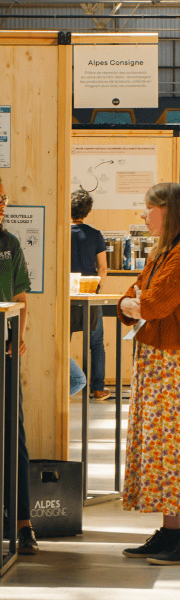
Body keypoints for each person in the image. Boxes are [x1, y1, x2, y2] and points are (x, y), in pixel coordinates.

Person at [117, 182, 180, 566]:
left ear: (169, 210)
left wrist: (138, 304)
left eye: (149, 208)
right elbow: (132, 296)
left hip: (178, 367)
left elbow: (156, 302)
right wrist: (134, 303)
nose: (143, 215)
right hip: (159, 365)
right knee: (164, 451)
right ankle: (170, 531)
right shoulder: (165, 251)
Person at [0, 181, 39, 555]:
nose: (1, 206)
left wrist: (18, 335)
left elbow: (21, 296)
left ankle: (23, 523)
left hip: (5, 352)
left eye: (3, 199)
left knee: (15, 433)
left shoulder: (9, 243)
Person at [70, 189, 110, 400]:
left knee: (62, 341)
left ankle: (63, 387)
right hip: (89, 295)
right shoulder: (95, 234)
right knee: (96, 343)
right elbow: (103, 267)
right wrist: (96, 287)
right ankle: (98, 388)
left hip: (67, 296)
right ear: (87, 211)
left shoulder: (61, 233)